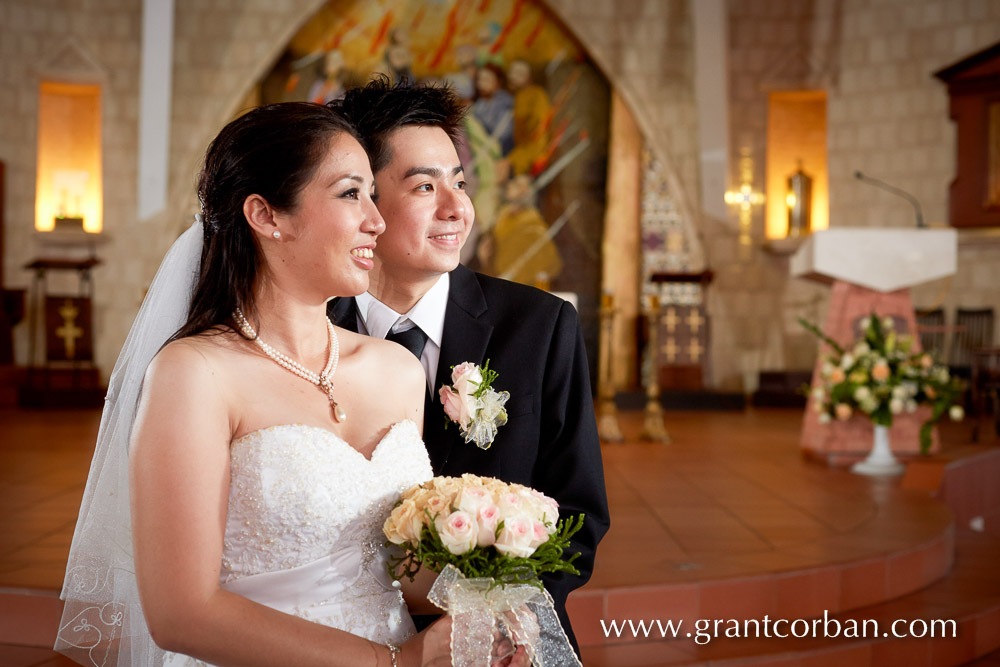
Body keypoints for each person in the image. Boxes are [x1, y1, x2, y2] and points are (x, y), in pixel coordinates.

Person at [55, 102, 529, 667]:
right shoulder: (195, 374)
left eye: (373, 197)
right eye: (351, 194)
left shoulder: (395, 370)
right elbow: (181, 613)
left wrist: (488, 595)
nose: (375, 221)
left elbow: (394, 568)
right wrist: (395, 663)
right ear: (267, 215)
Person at [327, 78, 610, 653]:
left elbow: (579, 513)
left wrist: (495, 621)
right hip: (341, 636)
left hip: (505, 639)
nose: (458, 208)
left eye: (460, 181)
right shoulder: (310, 329)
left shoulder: (539, 327)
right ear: (363, 200)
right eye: (426, 186)